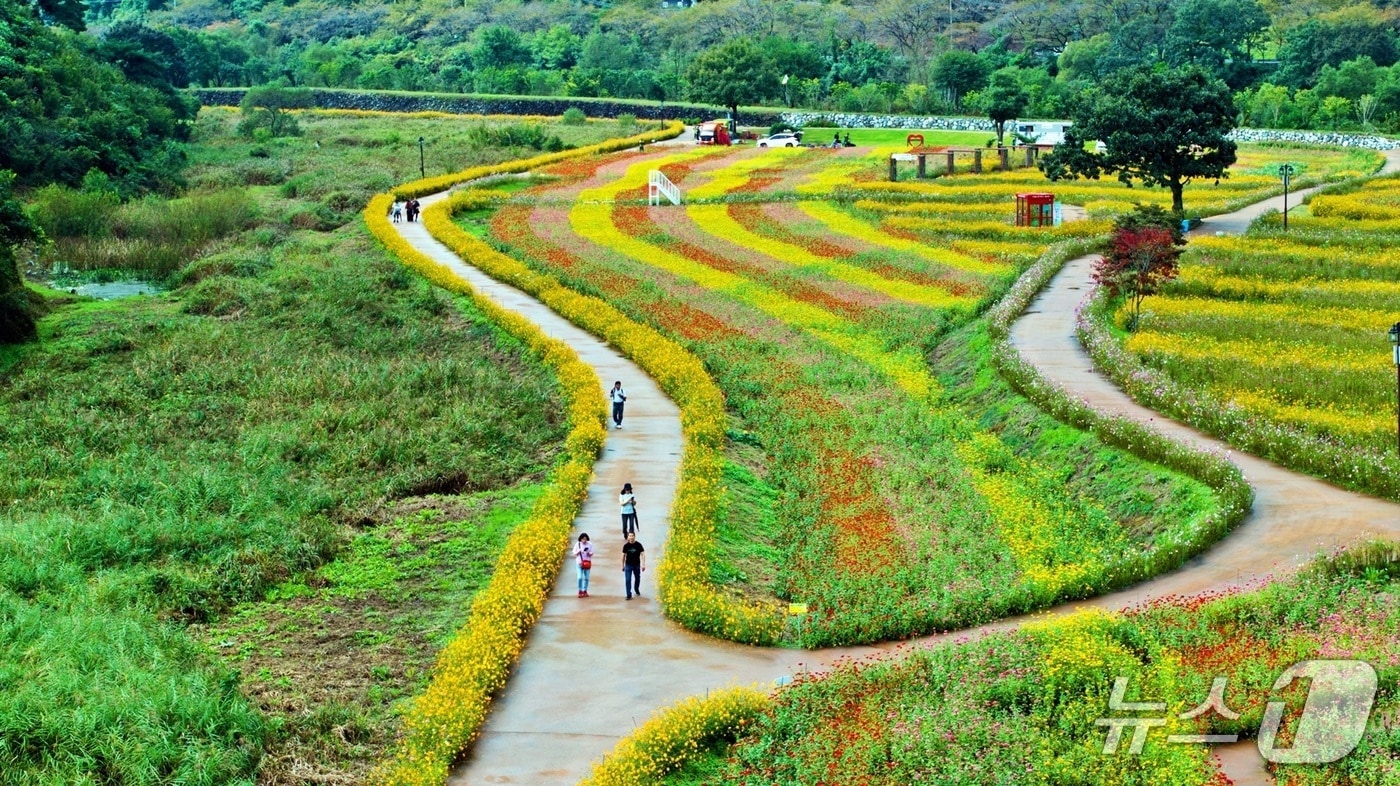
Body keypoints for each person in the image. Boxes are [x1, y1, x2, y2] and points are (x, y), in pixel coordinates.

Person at [621, 531, 645, 600]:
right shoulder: (626, 546)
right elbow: (623, 556)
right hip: (628, 565)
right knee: (628, 580)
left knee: (637, 578)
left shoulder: (638, 545)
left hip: (637, 565)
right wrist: (622, 566)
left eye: (632, 536)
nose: (631, 537)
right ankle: (628, 594)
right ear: (628, 537)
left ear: (634, 536)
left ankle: (636, 588)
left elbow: (643, 554)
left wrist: (643, 564)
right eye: (630, 536)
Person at [573, 533, 594, 598]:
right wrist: (578, 552)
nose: (584, 541)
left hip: (587, 563)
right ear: (580, 539)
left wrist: (588, 553)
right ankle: (580, 590)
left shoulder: (590, 544)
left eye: (585, 539)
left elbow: (592, 553)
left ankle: (585, 590)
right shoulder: (578, 544)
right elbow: (574, 552)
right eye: (583, 539)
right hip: (579, 563)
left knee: (586, 578)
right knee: (580, 577)